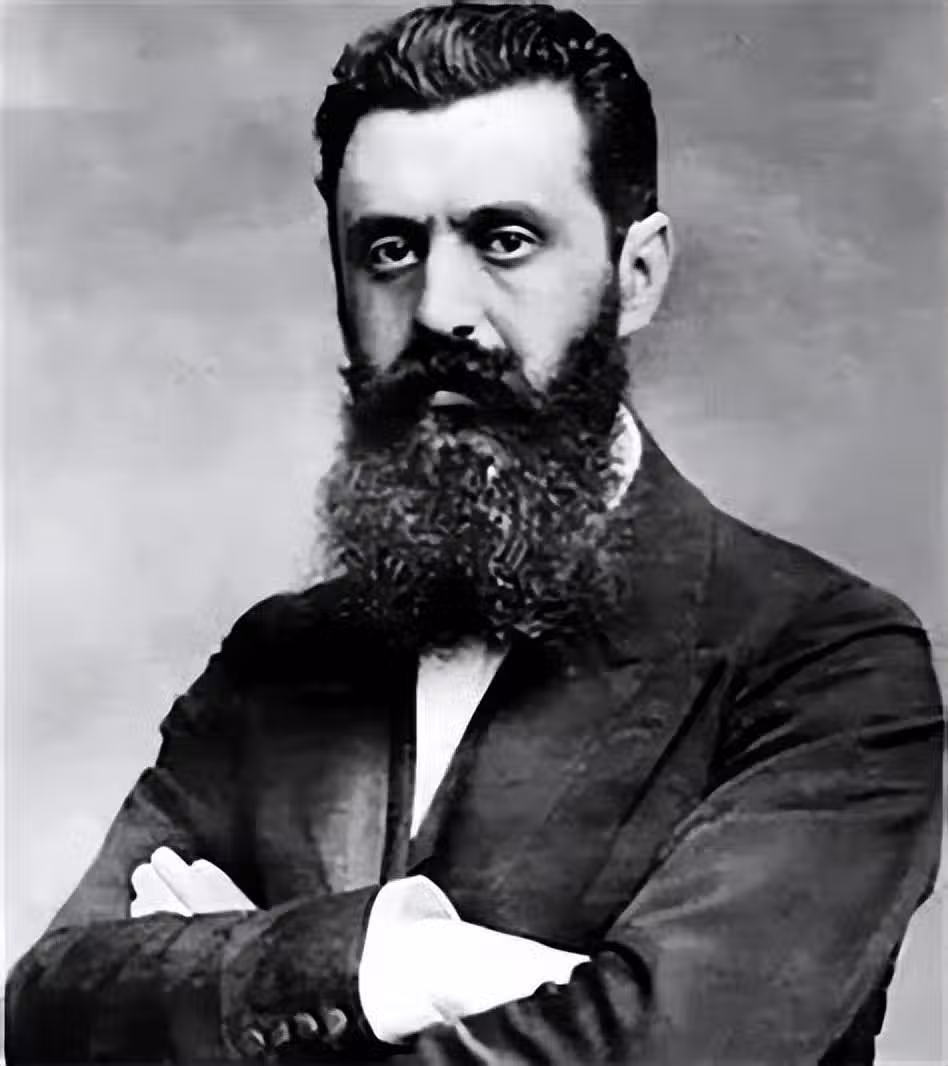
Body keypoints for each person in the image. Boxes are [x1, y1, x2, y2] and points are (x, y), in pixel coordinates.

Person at [5, 3, 943, 1063]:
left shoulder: (826, 661)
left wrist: (250, 986)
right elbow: (47, 1007)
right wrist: (404, 964)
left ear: (636, 276)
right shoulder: (276, 662)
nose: (440, 308)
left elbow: (660, 1051)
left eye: (505, 241)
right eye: (390, 249)